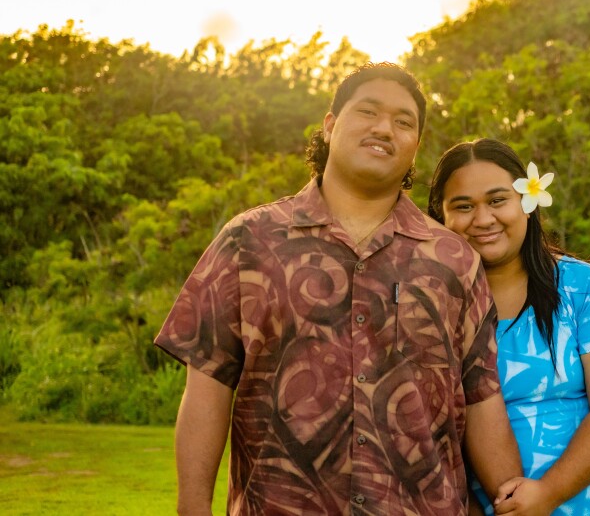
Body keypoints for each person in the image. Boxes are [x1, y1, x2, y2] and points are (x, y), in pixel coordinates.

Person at [155, 64, 522, 515]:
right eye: (368, 111)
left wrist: (515, 497)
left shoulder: (454, 259)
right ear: (330, 126)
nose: (385, 128)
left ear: (416, 146)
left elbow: (481, 397)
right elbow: (207, 387)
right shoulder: (249, 241)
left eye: (404, 121)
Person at [428, 138, 590, 515]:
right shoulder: (431, 307)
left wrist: (547, 492)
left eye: (498, 200)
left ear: (527, 203)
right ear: (441, 217)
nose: (483, 219)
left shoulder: (585, 287)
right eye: (463, 206)